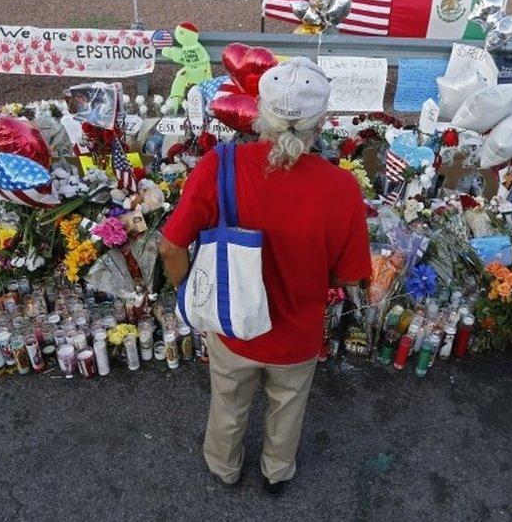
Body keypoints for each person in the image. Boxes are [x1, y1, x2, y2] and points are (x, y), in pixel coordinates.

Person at [159, 57, 372, 495]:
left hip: (233, 324)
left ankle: (224, 467)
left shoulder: (219, 166)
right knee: (287, 408)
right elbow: (350, 277)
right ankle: (276, 472)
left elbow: (170, 245)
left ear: (259, 109)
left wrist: (187, 297)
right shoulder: (342, 188)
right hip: (298, 333)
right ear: (322, 120)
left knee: (229, 403)